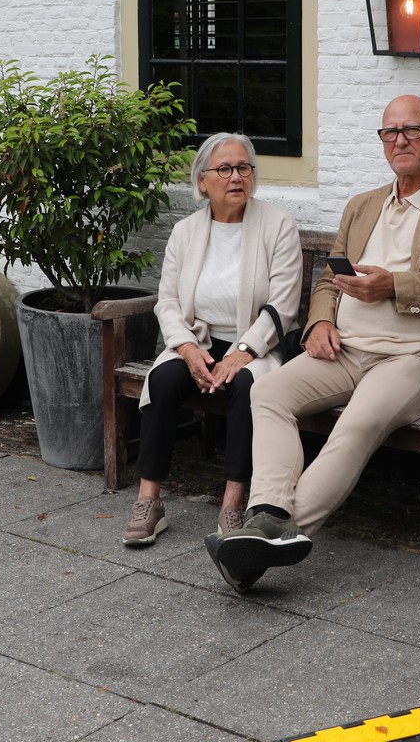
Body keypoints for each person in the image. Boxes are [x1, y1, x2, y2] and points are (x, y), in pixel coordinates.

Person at [205, 95, 420, 590]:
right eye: (390, 132)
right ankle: (268, 513)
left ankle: (272, 538)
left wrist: (395, 286)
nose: (400, 140)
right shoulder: (363, 205)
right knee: (268, 392)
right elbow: (328, 281)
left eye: (412, 129)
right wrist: (320, 323)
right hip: (346, 349)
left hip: (418, 356)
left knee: (357, 422)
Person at [121, 132, 303, 547]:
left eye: (243, 167)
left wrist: (242, 352)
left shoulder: (277, 225)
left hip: (256, 345)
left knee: (246, 385)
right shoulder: (185, 231)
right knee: (163, 380)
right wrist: (186, 348)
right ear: (202, 181)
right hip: (198, 340)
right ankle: (149, 499)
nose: (236, 177)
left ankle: (232, 503)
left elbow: (284, 304)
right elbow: (168, 301)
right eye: (224, 169)